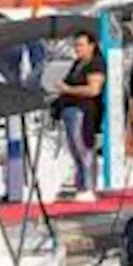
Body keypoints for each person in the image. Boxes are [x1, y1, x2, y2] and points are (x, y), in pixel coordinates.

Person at [55, 31, 106, 202]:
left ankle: (88, 186)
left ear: (91, 46)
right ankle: (81, 184)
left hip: (84, 110)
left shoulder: (95, 64)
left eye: (81, 45)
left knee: (83, 147)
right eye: (76, 45)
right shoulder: (77, 64)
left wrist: (68, 90)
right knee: (75, 149)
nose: (77, 49)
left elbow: (93, 89)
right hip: (70, 109)